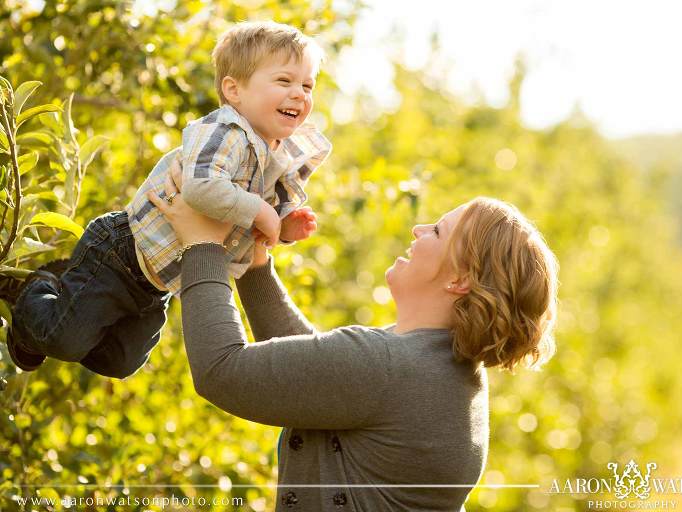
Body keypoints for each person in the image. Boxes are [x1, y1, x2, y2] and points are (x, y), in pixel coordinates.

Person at [146, 172, 560, 511]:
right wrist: (256, 266)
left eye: (437, 230)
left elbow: (222, 372)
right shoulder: (436, 367)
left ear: (460, 280)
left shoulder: (390, 366)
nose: (418, 228)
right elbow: (321, 375)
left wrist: (201, 246)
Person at [7, 21, 331, 377]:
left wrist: (283, 227)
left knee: (120, 362)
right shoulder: (226, 132)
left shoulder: (276, 158)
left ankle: (54, 315)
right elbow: (201, 187)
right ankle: (31, 293)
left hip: (156, 283)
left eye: (307, 85)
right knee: (63, 338)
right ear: (234, 90)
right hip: (122, 253)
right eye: (284, 81)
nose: (300, 94)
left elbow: (251, 227)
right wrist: (261, 210)